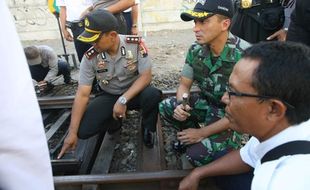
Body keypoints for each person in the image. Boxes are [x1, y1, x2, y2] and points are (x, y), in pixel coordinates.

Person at [178, 41, 310, 190]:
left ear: (273, 109)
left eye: (233, 93)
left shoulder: (283, 181)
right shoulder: (280, 129)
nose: (224, 98)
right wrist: (198, 173)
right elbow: (247, 155)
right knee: (218, 160)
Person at [57, 9, 161, 159]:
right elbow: (82, 94)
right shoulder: (90, 57)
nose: (92, 44)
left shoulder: (135, 45)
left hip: (135, 92)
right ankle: (114, 122)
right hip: (110, 95)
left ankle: (148, 128)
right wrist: (72, 133)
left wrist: (123, 100)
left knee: (152, 95)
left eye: (96, 39)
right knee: (84, 131)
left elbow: (146, 77)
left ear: (112, 35)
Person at [159, 0, 250, 167]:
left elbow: (243, 111)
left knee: (196, 157)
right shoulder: (196, 50)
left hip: (231, 117)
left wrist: (202, 133)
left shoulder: (246, 56)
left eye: (203, 21)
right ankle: (192, 136)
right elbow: (184, 86)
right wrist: (182, 104)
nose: (195, 28)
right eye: (195, 22)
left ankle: (210, 141)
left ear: (225, 24)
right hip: (208, 104)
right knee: (166, 106)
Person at [0, 1, 54, 190]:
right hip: (36, 75)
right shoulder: (22, 59)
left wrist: (47, 81)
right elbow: (22, 76)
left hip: (51, 71)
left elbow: (54, 68)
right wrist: (34, 84)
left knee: (61, 68)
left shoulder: (49, 52)